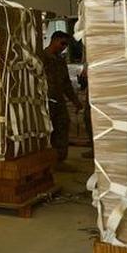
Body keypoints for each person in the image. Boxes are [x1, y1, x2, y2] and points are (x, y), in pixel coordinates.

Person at [42, 31, 82, 163]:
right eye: (62, 43)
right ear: (54, 40)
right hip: (45, 102)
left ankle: (59, 160)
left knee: (63, 126)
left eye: (66, 45)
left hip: (58, 100)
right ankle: (47, 160)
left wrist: (75, 101)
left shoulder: (60, 60)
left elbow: (66, 84)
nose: (64, 47)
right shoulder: (41, 58)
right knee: (48, 131)